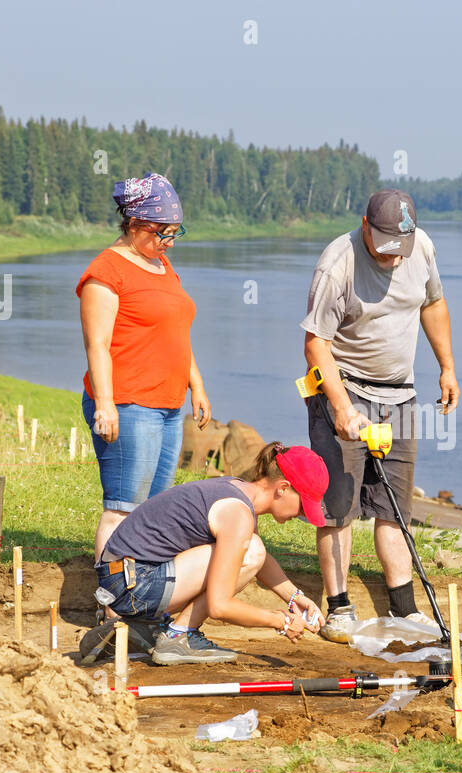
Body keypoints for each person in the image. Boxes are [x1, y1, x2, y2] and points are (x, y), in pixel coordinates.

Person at [300, 189, 459, 642]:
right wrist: (341, 407)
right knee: (339, 507)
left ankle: (404, 608)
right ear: (366, 226)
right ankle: (338, 607)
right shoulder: (338, 263)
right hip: (343, 387)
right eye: (384, 247)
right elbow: (316, 344)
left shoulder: (421, 247)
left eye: (399, 250)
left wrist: (447, 367)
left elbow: (432, 304)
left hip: (400, 396)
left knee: (395, 506)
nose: (392, 259)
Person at [79, 442, 329, 665]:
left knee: (252, 549)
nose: (302, 514)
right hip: (133, 585)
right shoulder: (237, 514)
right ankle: (178, 636)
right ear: (283, 488)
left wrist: (295, 597)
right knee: (252, 550)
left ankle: (144, 627)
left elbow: (258, 561)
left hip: (124, 578)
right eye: (303, 505)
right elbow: (220, 606)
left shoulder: (238, 491)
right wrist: (280, 621)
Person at [77, 172, 212, 569]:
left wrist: (197, 385)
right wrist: (105, 404)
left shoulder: (162, 266)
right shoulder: (106, 272)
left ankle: (141, 595)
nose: (169, 241)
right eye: (161, 232)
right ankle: (110, 602)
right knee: (122, 508)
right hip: (129, 404)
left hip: (168, 406)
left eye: (174, 233)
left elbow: (174, 331)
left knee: (152, 512)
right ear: (135, 224)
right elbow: (97, 345)